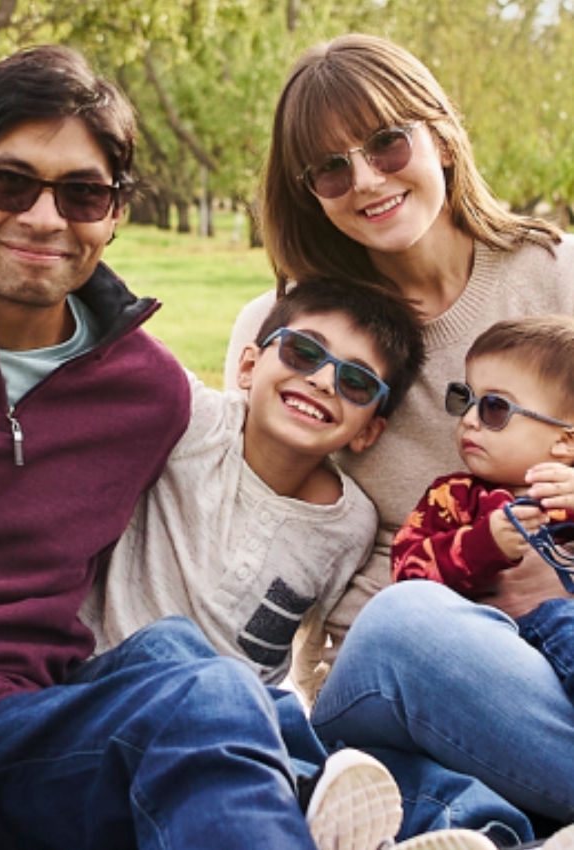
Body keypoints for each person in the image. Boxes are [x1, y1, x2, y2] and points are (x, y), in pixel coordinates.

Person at [0, 44, 443, 850]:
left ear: (114, 215)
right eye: (9, 184)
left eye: (82, 194)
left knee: (200, 689)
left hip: (10, 745)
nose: (44, 217)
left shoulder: (147, 394)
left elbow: (276, 448)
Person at [221, 31, 574, 831]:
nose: (367, 181)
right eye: (331, 168)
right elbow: (236, 520)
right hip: (399, 669)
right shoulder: (300, 333)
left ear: (441, 137)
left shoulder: (556, 275)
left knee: (446, 810)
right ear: (308, 191)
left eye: (386, 143)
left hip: (555, 665)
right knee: (407, 619)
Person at [82, 275, 424, 702]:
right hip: (115, 684)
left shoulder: (350, 525)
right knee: (186, 657)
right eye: (303, 352)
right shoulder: (195, 423)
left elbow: (314, 647)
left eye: (356, 382)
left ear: (368, 432)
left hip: (241, 715)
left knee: (274, 710)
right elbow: (108, 326)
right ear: (248, 367)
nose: (321, 380)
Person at [392, 316, 574, 702]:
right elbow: (406, 578)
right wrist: (482, 545)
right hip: (489, 653)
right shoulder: (454, 497)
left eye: (494, 408)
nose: (469, 420)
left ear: (564, 442)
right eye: (465, 399)